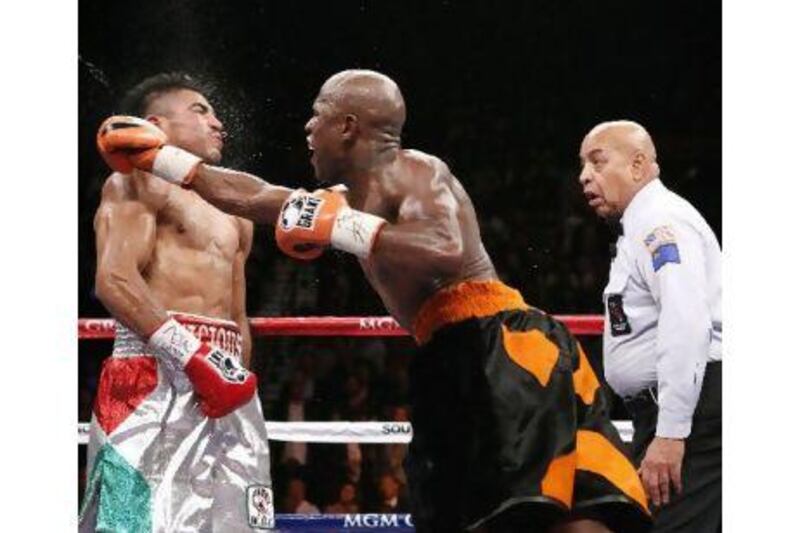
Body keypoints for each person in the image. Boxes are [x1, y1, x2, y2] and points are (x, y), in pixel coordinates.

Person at [96, 70, 650, 533]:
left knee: (529, 513)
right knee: (545, 505)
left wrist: (349, 228)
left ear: (349, 127)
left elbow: (445, 248)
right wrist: (159, 158)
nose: (307, 128)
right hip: (456, 354)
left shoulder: (416, 169)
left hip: (496, 347)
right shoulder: (336, 199)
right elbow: (252, 195)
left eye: (318, 116)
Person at [81, 73, 274, 532]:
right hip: (152, 373)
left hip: (225, 379)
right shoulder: (135, 184)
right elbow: (114, 278)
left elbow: (237, 315)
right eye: (200, 110)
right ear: (154, 125)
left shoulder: (235, 212)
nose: (218, 122)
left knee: (240, 522)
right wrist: (194, 356)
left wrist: (236, 377)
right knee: (136, 522)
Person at [578, 120, 722, 532]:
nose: (585, 175)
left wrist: (672, 433)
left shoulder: (661, 224)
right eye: (582, 165)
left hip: (689, 416)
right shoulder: (640, 227)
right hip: (680, 413)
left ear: (639, 164)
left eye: (597, 161)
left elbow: (687, 323)